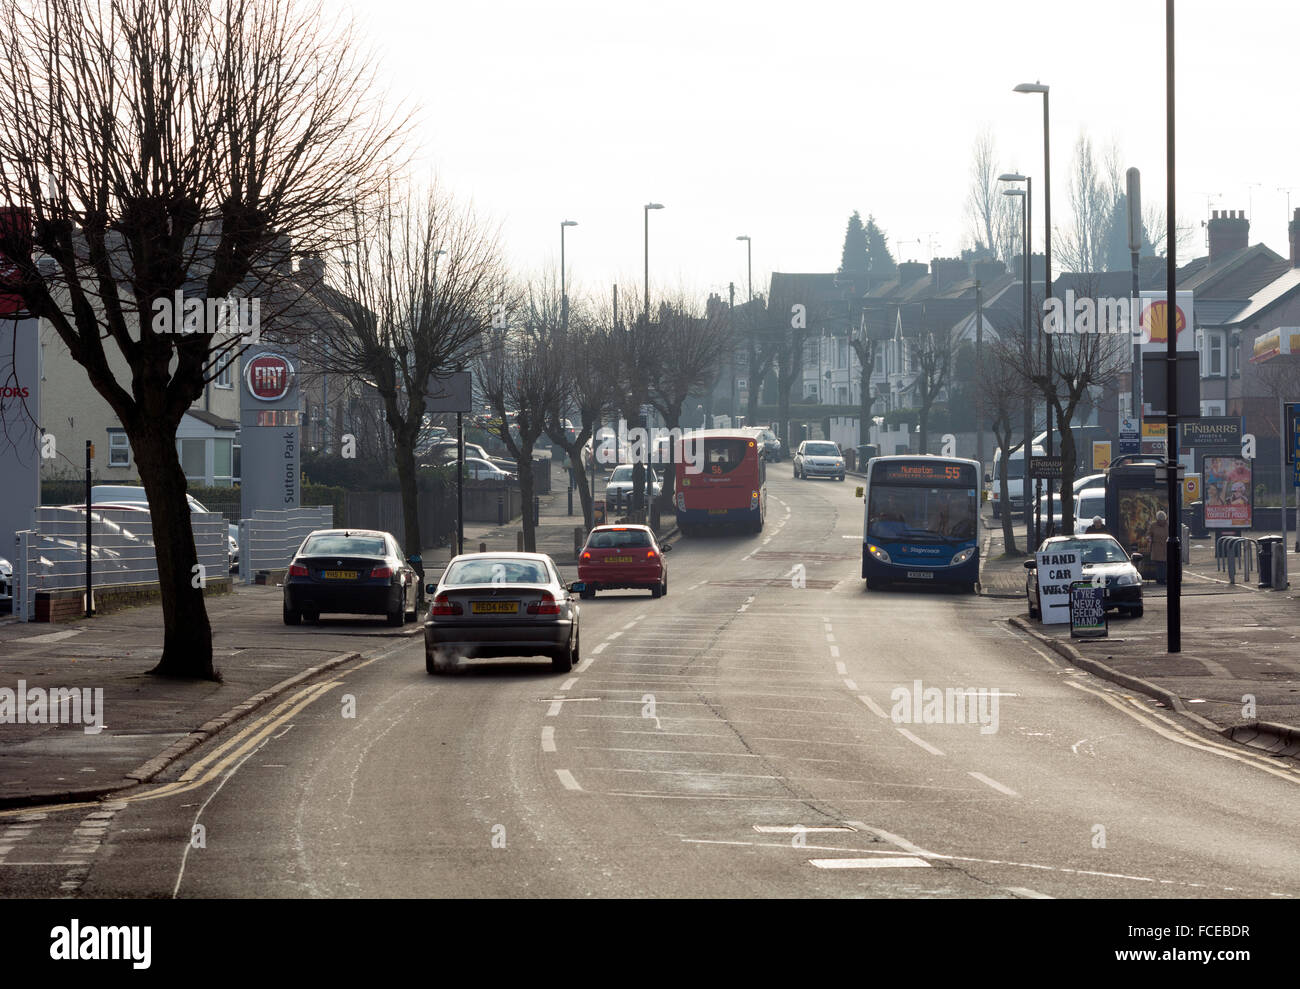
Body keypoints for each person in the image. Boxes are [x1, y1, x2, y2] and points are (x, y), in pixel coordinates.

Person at [1147, 510, 1170, 584]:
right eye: (1160, 520)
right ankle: (1160, 579)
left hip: (1166, 547)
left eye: (1163, 520)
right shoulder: (1153, 525)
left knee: (1165, 564)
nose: (1161, 522)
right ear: (1157, 519)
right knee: (1160, 564)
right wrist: (1149, 539)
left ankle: (1164, 578)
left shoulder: (1168, 525)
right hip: (1157, 548)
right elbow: (1149, 534)